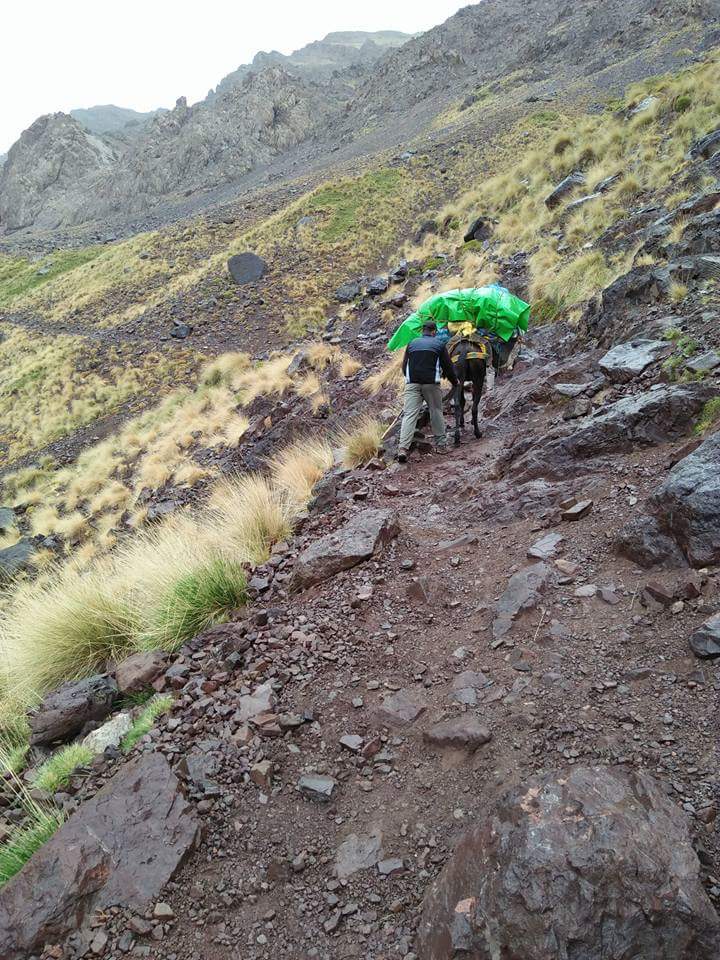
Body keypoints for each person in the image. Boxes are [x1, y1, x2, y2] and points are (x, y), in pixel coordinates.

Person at [397, 321, 458, 462]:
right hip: (431, 384)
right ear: (434, 331)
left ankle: (403, 448)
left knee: (409, 414)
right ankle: (441, 445)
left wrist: (411, 380)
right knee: (435, 410)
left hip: (412, 383)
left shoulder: (412, 343)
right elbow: (448, 367)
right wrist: (455, 382)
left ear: (422, 330)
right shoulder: (439, 345)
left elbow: (404, 365)